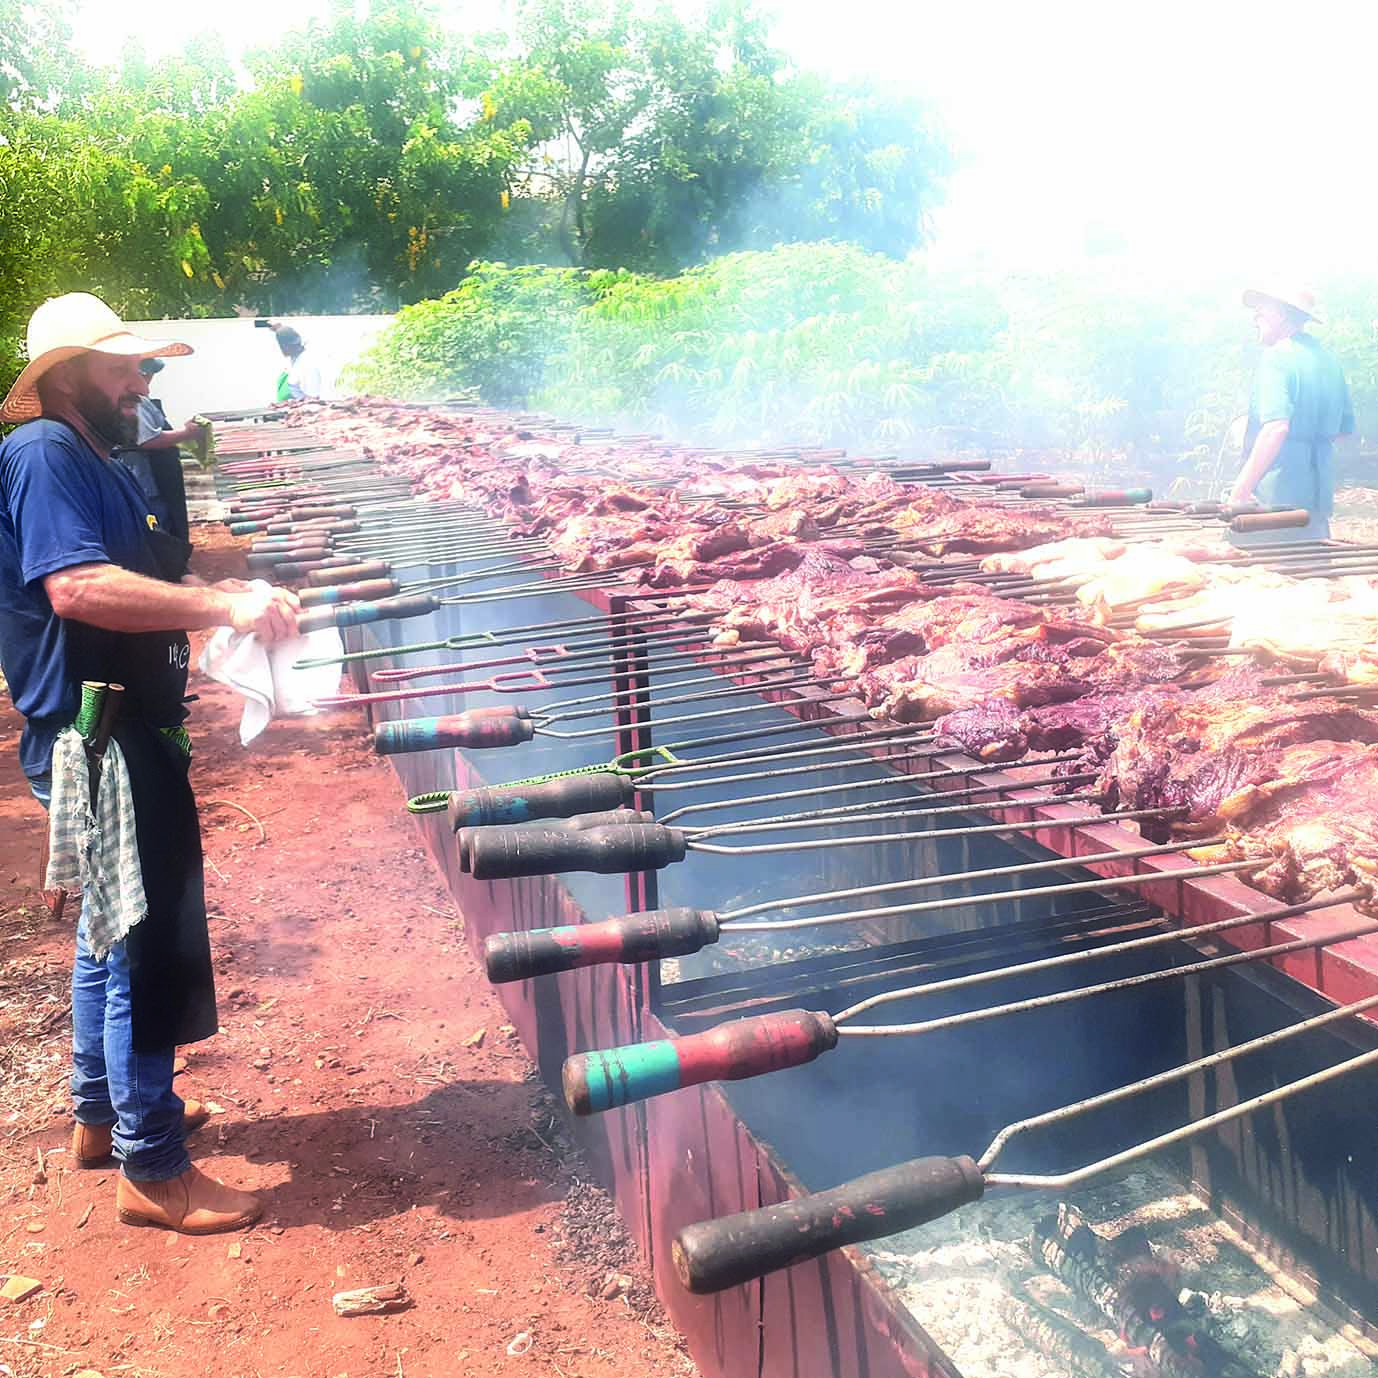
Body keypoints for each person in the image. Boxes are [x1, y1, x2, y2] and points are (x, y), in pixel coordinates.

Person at [0, 292, 300, 1234]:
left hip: (122, 729)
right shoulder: (46, 454)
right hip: (99, 739)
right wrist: (223, 614)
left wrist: (224, 591)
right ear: (68, 378)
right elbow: (79, 587)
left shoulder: (103, 454)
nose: (141, 382)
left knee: (105, 931)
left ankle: (105, 1118)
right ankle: (153, 1168)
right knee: (140, 947)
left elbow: (144, 574)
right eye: (124, 368)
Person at [1229, 284, 1353, 541]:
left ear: (1281, 315)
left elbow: (1276, 428)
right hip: (1317, 505)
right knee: (1314, 576)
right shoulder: (1329, 361)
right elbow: (1342, 431)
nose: (1255, 318)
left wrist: (1239, 494)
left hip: (1275, 505)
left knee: (1252, 572)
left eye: (1261, 310)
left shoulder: (1277, 357)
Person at [114, 357, 207, 546]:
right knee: (157, 527)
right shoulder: (134, 402)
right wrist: (187, 433)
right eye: (147, 375)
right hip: (146, 479)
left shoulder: (134, 399)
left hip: (146, 478)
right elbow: (148, 440)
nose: (148, 382)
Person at [273, 324, 327, 401]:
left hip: (299, 409)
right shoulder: (293, 358)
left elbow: (313, 399)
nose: (283, 349)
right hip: (286, 406)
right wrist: (279, 329)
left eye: (285, 346)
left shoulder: (307, 364)